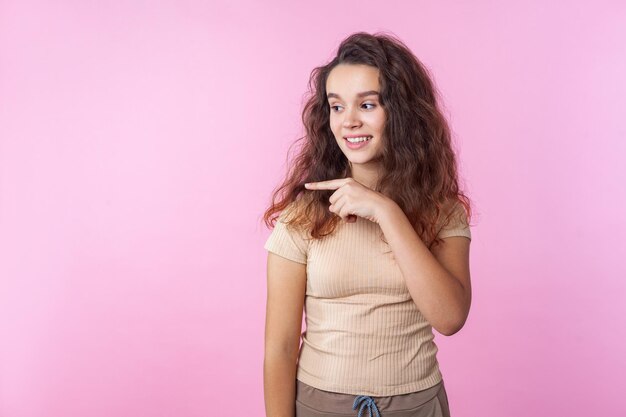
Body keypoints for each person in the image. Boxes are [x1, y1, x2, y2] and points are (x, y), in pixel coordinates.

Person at [262, 31, 474, 417]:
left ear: (402, 112)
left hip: (418, 406)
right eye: (337, 107)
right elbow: (278, 348)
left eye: (368, 104)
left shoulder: (441, 211)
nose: (350, 121)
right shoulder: (303, 216)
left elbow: (450, 317)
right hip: (320, 405)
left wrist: (387, 212)